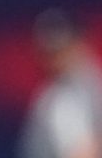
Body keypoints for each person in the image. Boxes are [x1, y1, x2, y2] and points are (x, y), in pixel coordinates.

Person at [19, 9, 102, 158]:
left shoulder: (67, 96)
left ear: (77, 44)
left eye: (59, 50)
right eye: (48, 51)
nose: (54, 59)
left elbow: (82, 153)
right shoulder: (80, 84)